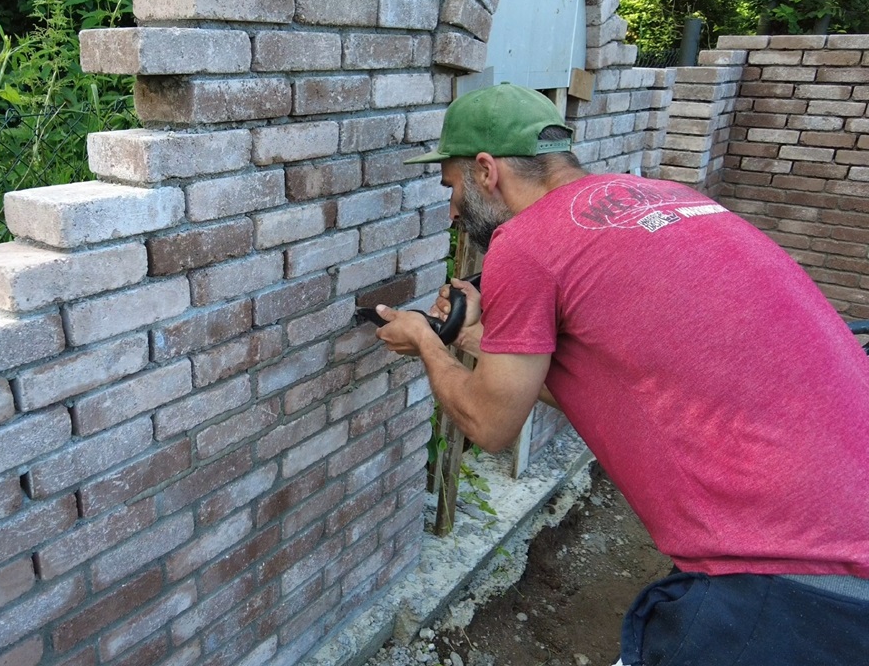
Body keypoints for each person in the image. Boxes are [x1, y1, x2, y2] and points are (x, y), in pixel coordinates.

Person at [372, 82, 869, 664]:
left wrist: (426, 342)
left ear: (487, 171)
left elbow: (489, 421)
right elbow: (617, 379)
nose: (453, 209)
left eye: (452, 186)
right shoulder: (665, 198)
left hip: (790, 580)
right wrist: (474, 337)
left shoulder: (526, 243)